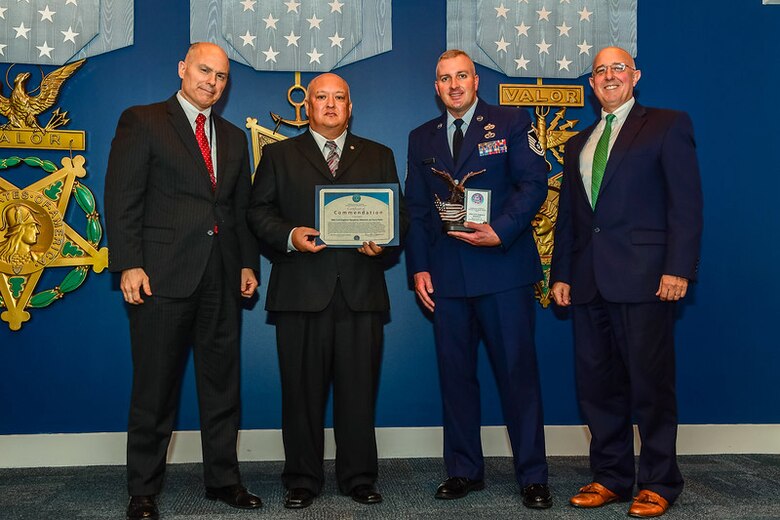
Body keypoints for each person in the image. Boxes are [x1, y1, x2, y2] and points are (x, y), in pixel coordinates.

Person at [104, 42, 262, 520]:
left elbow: (239, 210)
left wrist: (248, 264)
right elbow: (122, 196)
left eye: (221, 76)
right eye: (204, 71)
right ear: (182, 69)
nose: (211, 82)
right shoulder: (143, 120)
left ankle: (223, 480)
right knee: (154, 389)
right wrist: (128, 262)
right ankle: (143, 490)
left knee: (222, 388)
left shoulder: (234, 138)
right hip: (159, 278)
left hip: (220, 279)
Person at [550, 46, 703, 518]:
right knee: (597, 387)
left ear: (635, 76)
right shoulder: (578, 142)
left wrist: (678, 267)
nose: (609, 75)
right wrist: (560, 274)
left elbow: (686, 204)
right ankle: (611, 477)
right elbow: (572, 219)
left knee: (651, 385)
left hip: (646, 280)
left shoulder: (667, 124)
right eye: (600, 70)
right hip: (588, 282)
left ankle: (660, 481)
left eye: (618, 68)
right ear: (591, 83)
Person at [247, 72, 406, 509]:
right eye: (322, 97)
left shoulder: (379, 154)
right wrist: (290, 234)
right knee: (300, 393)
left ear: (350, 107)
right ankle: (301, 478)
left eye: (340, 98)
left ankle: (359, 477)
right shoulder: (279, 155)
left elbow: (398, 218)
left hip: (360, 292)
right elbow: (257, 214)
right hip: (300, 291)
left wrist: (385, 241)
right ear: (308, 106)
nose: (331, 105)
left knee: (358, 392)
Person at [405, 49, 552, 509]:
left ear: (476, 80)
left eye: (461, 76)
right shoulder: (421, 137)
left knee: (518, 377)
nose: (453, 85)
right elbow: (417, 209)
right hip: (447, 277)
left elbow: (535, 183)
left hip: (502, 270)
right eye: (444, 78)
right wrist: (419, 267)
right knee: (456, 379)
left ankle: (532, 476)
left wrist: (501, 229)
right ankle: (464, 470)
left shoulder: (510, 122)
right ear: (436, 87)